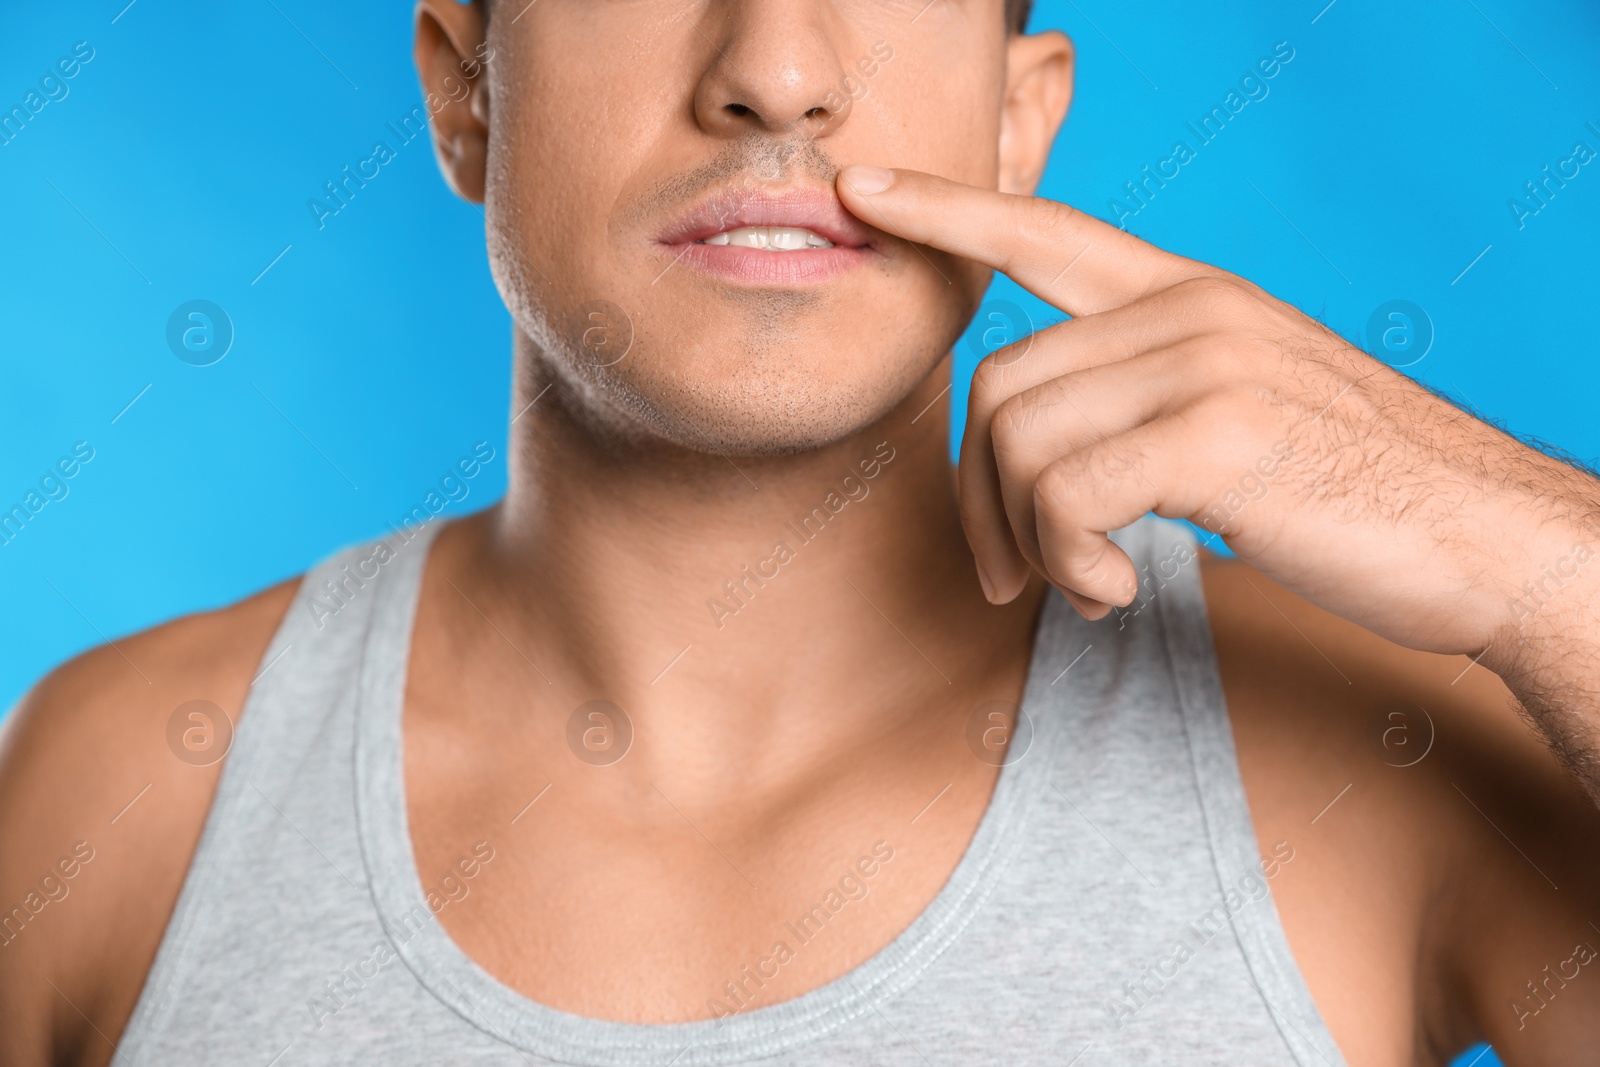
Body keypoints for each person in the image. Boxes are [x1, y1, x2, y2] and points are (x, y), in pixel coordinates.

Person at [2, 0, 1597, 1063]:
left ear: (1019, 120)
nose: (773, 69)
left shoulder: (1384, 755)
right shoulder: (120, 794)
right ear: (460, 87)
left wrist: (1536, 558)